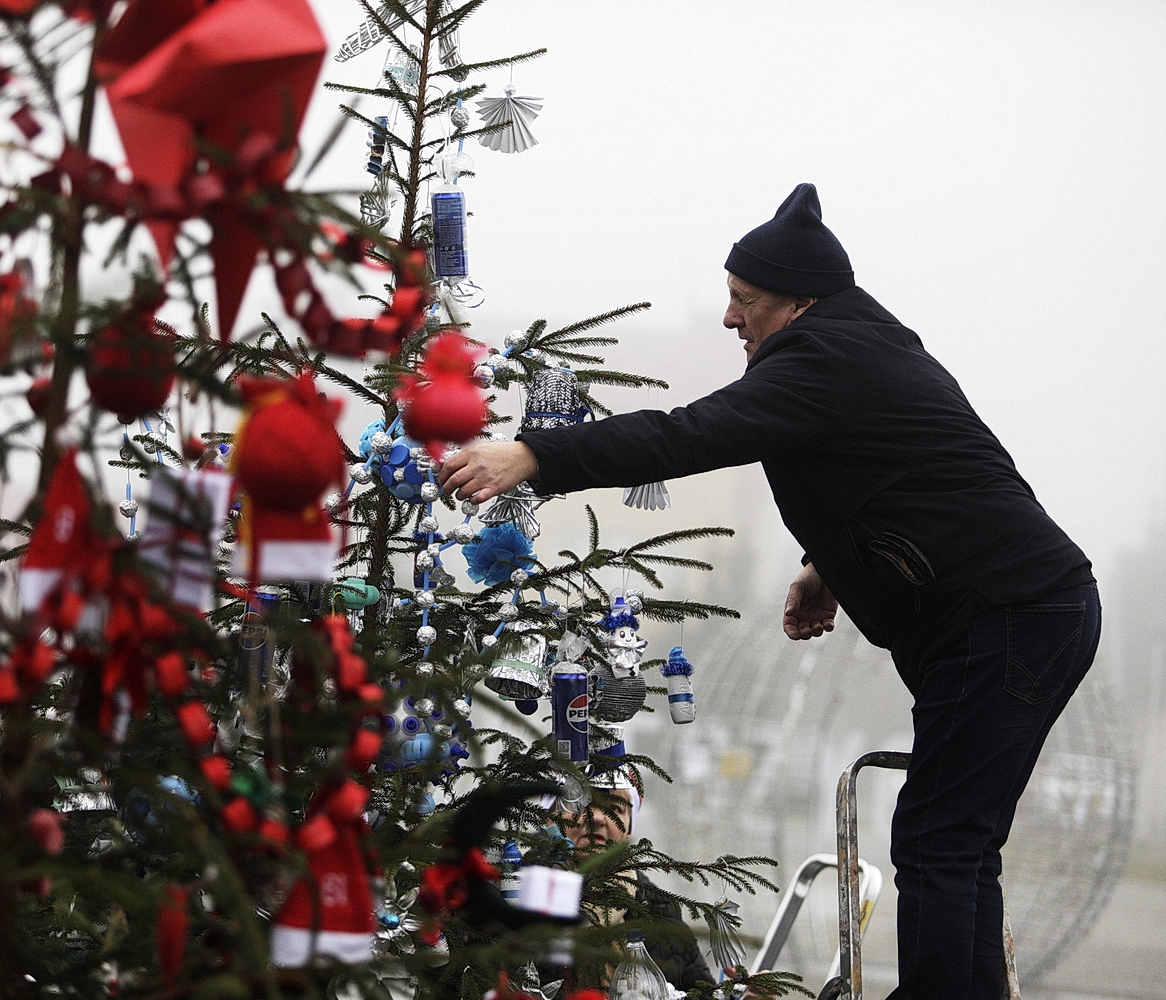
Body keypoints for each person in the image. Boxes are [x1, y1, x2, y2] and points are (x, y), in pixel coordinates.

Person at [441, 184, 1100, 1000]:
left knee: (937, 838)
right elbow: (910, 476)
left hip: (1010, 618)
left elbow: (691, 433)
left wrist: (537, 456)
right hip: (1018, 612)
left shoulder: (825, 359)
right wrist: (829, 566)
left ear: (800, 301)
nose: (729, 317)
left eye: (744, 300)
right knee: (957, 841)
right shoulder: (860, 349)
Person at [553, 761, 715, 994]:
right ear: (552, 816)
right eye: (582, 803)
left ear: (628, 827)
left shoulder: (659, 909)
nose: (597, 818)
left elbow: (699, 992)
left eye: (615, 809)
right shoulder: (516, 895)